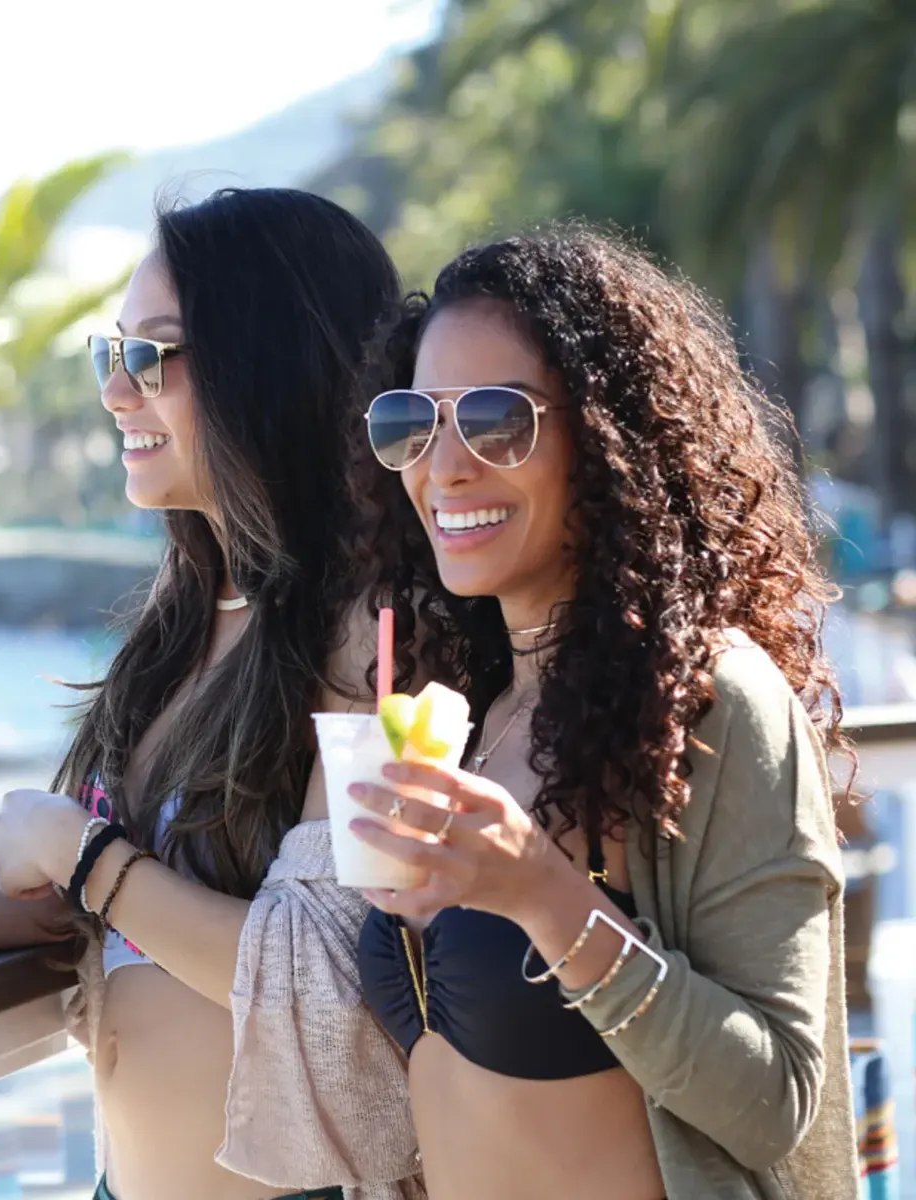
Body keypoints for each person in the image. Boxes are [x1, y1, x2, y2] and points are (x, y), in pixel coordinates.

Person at [0, 187, 425, 1200]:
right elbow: (130, 908)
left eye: (152, 355)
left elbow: (325, 982)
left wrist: (82, 852)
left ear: (268, 361)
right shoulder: (186, 618)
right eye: (110, 354)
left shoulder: (369, 639)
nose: (115, 391)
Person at [346, 227, 859, 1200]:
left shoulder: (713, 700)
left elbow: (777, 1101)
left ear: (608, 440)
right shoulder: (470, 708)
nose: (444, 467)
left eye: (496, 420)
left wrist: (543, 896)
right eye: (414, 421)